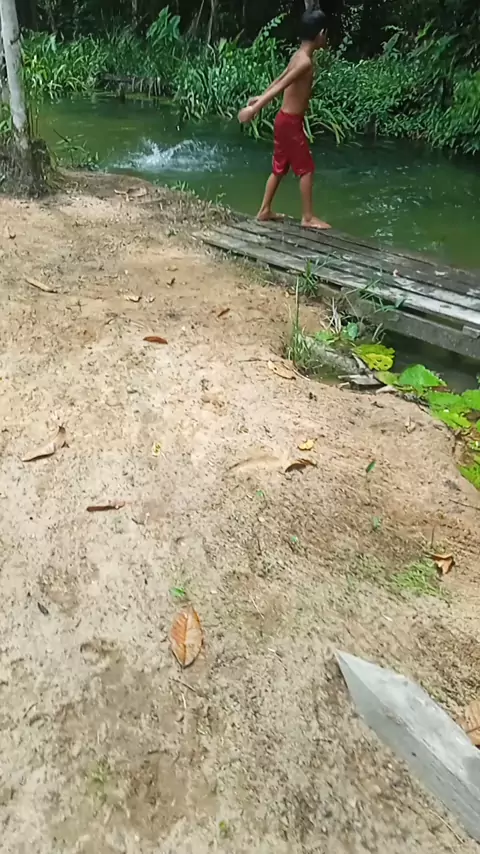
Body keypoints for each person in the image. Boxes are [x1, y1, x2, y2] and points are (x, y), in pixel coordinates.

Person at [238, 8, 330, 229]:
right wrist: (255, 108)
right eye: (326, 34)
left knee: (279, 168)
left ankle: (264, 210)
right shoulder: (305, 62)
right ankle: (308, 217)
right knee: (306, 169)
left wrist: (260, 96)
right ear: (320, 34)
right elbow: (282, 85)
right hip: (290, 123)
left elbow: (280, 79)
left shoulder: (298, 56)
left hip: (283, 121)